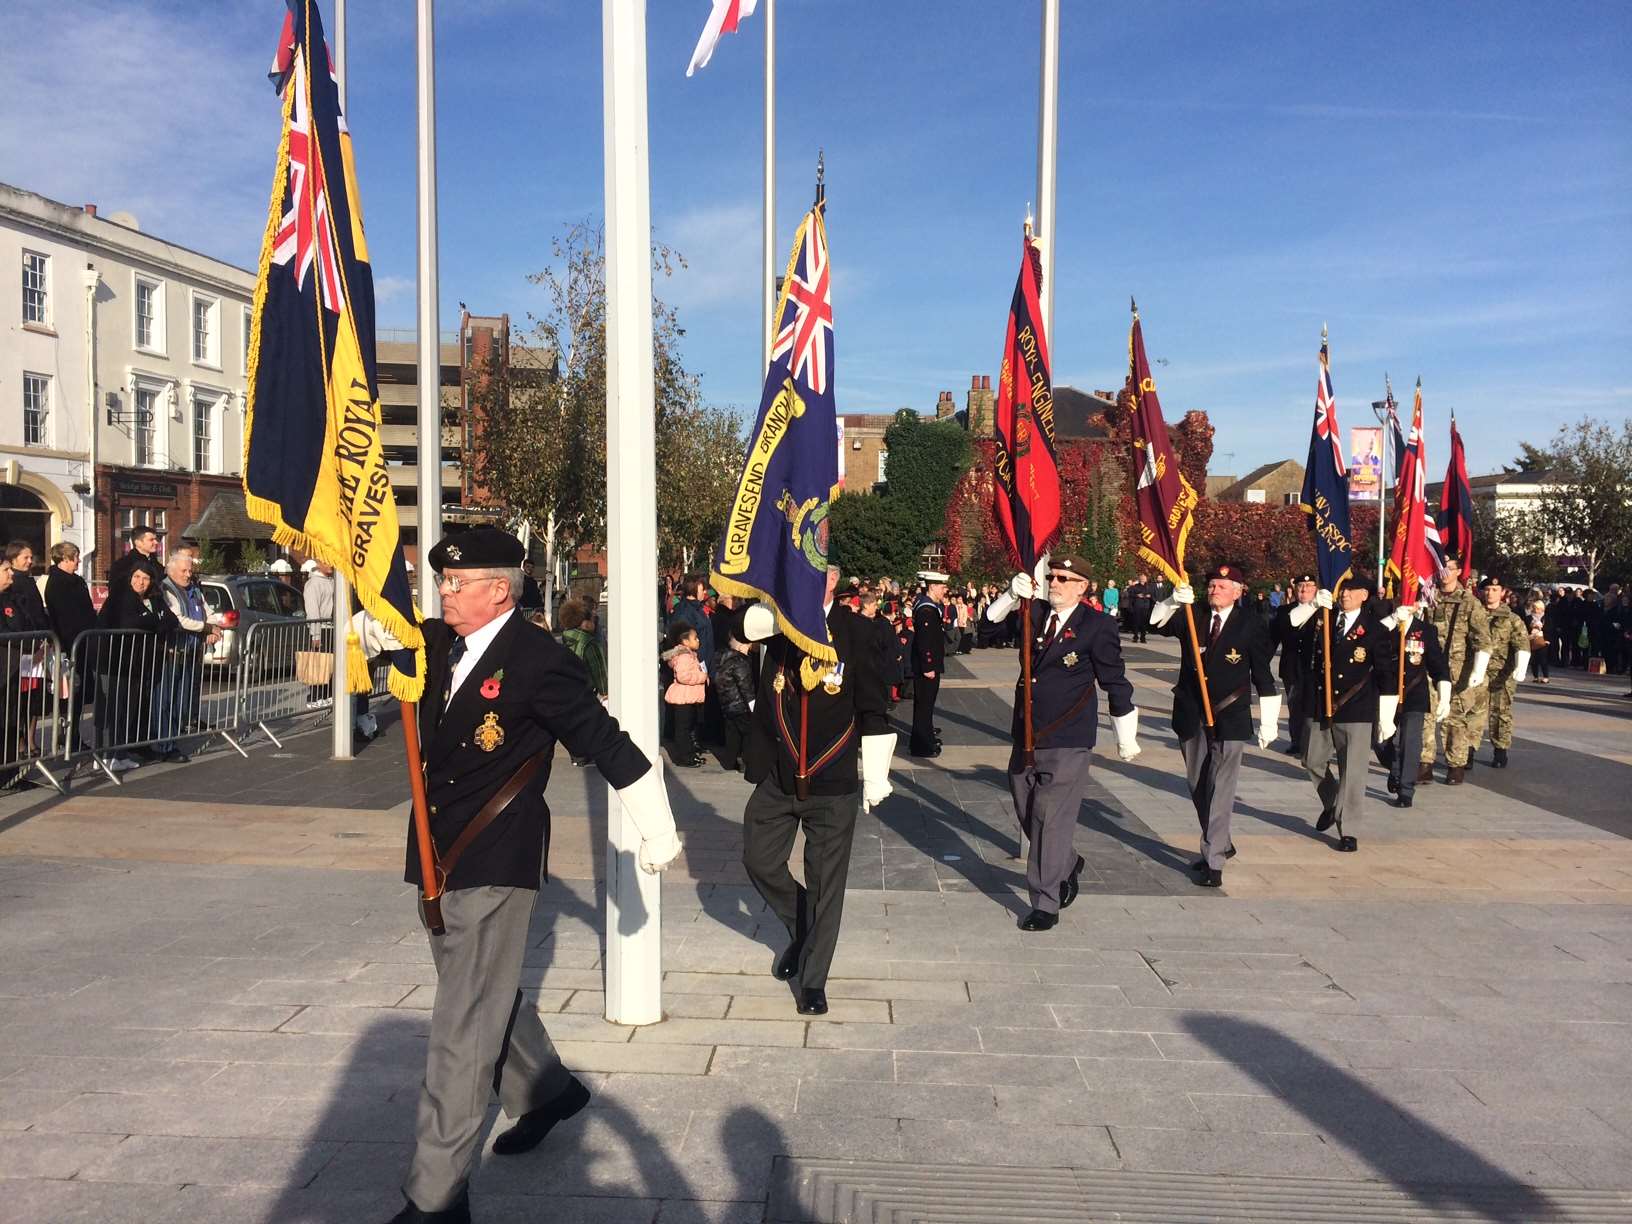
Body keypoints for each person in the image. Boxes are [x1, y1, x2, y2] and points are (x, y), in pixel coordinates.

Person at [365, 527, 680, 1224]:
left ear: (498, 590)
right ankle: (546, 1091)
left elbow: (606, 743)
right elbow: (378, 638)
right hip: (436, 854)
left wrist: (657, 829)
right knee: (478, 996)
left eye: (457, 584)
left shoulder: (538, 661)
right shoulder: (437, 643)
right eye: (442, 582)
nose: (444, 593)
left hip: (495, 857)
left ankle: (436, 1197)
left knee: (459, 1028)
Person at [740, 565, 891, 1016]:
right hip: (778, 775)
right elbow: (739, 627)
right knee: (759, 859)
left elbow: (872, 704)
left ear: (835, 579)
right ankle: (804, 923)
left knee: (828, 884)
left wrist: (877, 772)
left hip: (833, 779)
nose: (812, 576)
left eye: (821, 570)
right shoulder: (778, 622)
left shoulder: (855, 631)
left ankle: (813, 980)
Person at [984, 554, 1140, 930]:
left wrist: (1125, 735)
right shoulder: (1034, 613)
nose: (1054, 583)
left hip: (1068, 737)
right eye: (1052, 576)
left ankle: (1044, 902)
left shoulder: (1097, 625)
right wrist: (1008, 595)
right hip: (1026, 735)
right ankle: (1066, 862)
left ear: (1083, 586)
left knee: (1049, 819)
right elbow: (988, 629)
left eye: (1064, 579)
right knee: (1026, 811)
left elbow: (1114, 679)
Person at [1149, 563, 1279, 887]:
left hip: (1230, 715)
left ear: (1238, 591)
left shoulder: (1250, 624)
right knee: (1198, 784)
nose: (1214, 590)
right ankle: (1222, 839)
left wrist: (1270, 720)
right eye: (1211, 585)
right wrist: (1172, 601)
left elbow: (1262, 673)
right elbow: (1154, 623)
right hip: (1192, 711)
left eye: (1222, 586)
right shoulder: (1194, 617)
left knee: (1221, 787)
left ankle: (1214, 861)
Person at [1299, 574, 1397, 850]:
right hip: (1322, 703)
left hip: (1356, 707)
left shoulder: (1375, 630)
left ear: (1365, 596)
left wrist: (1387, 714)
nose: (1345, 595)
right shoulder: (1325, 622)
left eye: (1352, 591)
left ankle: (1349, 829)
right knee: (1311, 760)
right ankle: (1332, 802)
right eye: (1343, 590)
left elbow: (1384, 673)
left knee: (1353, 772)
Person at [95, 562, 178, 772]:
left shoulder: (155, 599)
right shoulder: (121, 597)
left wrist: (153, 620)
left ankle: (121, 753)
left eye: (145, 578)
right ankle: (107, 754)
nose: (140, 582)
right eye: (137, 577)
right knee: (114, 709)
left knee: (129, 709)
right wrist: (153, 620)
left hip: (138, 663)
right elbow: (127, 622)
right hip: (116, 661)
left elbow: (171, 620)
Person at [1418, 553, 1491, 785]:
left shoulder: (1469, 602)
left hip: (1458, 670)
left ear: (1459, 571)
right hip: (1428, 667)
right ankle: (1425, 763)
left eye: (1450, 568)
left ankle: (1455, 764)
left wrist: (1478, 670)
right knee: (1426, 715)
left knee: (1454, 720)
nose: (1445, 573)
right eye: (1442, 567)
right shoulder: (1428, 597)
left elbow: (1483, 639)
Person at [155, 552, 220, 763]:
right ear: (171, 571)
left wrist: (213, 627)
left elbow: (208, 612)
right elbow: (179, 619)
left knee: (181, 701)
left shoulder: (194, 590)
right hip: (171, 653)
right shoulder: (166, 589)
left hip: (191, 652)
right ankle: (165, 745)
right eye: (184, 571)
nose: (188, 575)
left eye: (190, 570)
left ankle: (174, 740)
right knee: (166, 701)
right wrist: (206, 627)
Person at [1471, 576, 1531, 768]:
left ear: (1503, 592)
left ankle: (1500, 750)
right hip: (1477, 671)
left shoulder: (1512, 618)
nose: (1490, 593)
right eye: (1487, 589)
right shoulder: (1474, 614)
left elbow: (1522, 642)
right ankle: (1468, 750)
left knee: (1500, 712)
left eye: (1495, 590)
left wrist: (1521, 665)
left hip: (1501, 673)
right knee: (1474, 711)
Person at [44, 542, 96, 752]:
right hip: (69, 644)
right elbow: (64, 616)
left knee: (80, 694)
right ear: (64, 559)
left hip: (83, 642)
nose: (78, 561)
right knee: (68, 695)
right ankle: (66, 737)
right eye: (75, 557)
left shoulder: (78, 581)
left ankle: (73, 736)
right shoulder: (57, 583)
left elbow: (87, 609)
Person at [1271, 573, 1319, 757]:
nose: (1304, 590)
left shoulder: (1324, 610)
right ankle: (1297, 742)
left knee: (1311, 708)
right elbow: (1276, 635)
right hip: (1292, 667)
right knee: (1295, 706)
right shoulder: (1285, 611)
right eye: (1300, 586)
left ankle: (1310, 744)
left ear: (1315, 589)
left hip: (1314, 667)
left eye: (1309, 586)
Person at [909, 571, 948, 757]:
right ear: (932, 586)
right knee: (924, 705)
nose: (944, 590)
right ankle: (921, 744)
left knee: (927, 704)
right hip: (927, 667)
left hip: (929, 665)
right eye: (942, 586)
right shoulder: (926, 609)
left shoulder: (930, 606)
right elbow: (925, 641)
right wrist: (928, 666)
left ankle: (926, 736)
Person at [715, 633, 755, 772]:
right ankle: (745, 760)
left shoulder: (724, 660)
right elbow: (746, 686)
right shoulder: (740, 662)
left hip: (727, 704)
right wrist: (752, 705)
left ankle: (729, 761)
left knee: (732, 734)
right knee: (748, 733)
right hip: (740, 705)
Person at [556, 600, 607, 700]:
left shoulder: (562, 641)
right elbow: (600, 676)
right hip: (587, 699)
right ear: (585, 623)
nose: (595, 623)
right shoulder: (589, 644)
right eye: (593, 620)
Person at [108, 526, 165, 593]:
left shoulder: (157, 565)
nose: (156, 542)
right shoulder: (122, 565)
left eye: (156, 539)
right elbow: (115, 591)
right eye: (151, 540)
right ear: (138, 543)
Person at [1124, 573, 1155, 642]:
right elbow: (1130, 594)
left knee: (1144, 622)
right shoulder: (1135, 586)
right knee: (1136, 621)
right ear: (1140, 579)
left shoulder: (1149, 586)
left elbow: (1152, 595)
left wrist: (1149, 596)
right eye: (1142, 578)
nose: (1143, 579)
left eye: (1144, 578)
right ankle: (1135, 636)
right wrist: (1137, 595)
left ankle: (1143, 637)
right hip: (1138, 605)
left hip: (1146, 606)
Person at [1527, 597, 1550, 684]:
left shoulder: (1545, 618)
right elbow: (1525, 628)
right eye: (1534, 608)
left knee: (1543, 659)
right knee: (1533, 660)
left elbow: (1549, 629)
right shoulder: (1529, 618)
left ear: (1541, 609)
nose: (1535, 610)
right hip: (1531, 640)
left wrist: (1547, 640)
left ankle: (1546, 676)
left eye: (1537, 608)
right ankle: (1535, 676)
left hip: (1542, 641)